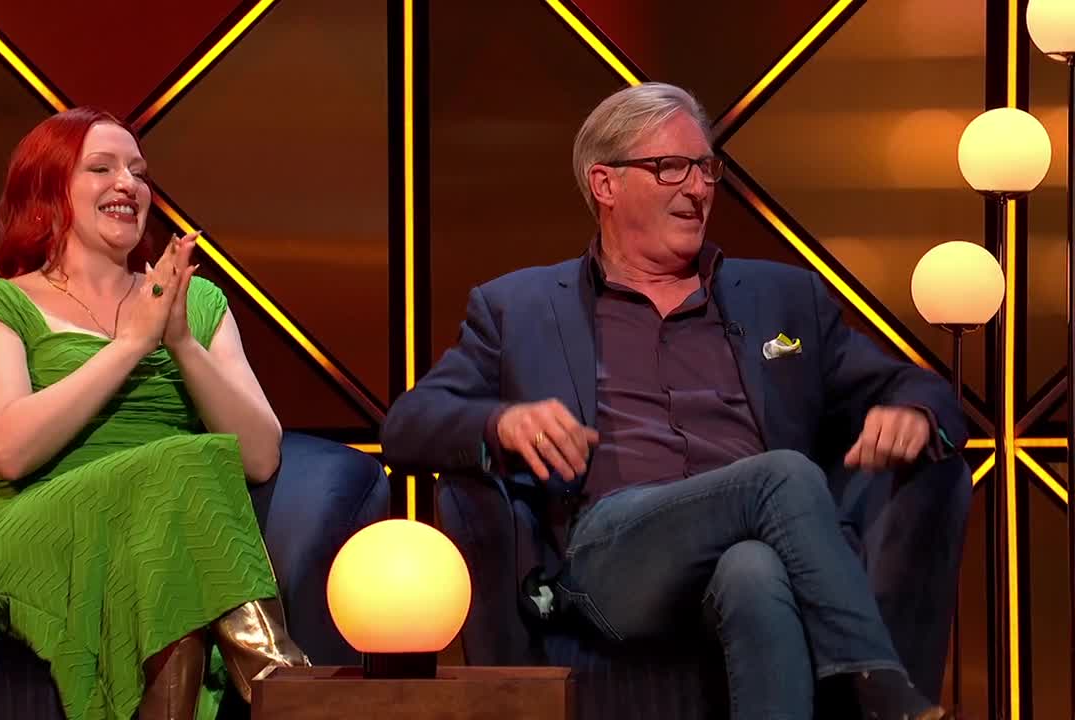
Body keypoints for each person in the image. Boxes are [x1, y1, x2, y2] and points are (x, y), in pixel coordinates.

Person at [381, 83, 969, 720]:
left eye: (706, 168)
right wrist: (502, 422)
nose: (698, 188)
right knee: (783, 475)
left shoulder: (784, 297)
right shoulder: (518, 308)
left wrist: (915, 414)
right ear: (605, 184)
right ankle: (876, 683)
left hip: (760, 543)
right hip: (614, 553)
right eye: (670, 167)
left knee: (753, 571)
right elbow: (407, 426)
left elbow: (916, 386)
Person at [0, 107, 309, 720]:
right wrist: (132, 344)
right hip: (35, 523)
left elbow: (259, 455)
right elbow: (8, 450)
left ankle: (279, 687)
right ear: (47, 189)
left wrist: (180, 341)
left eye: (138, 172)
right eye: (101, 168)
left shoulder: (196, 301)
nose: (128, 184)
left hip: (165, 531)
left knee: (171, 525)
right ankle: (283, 685)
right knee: (181, 468)